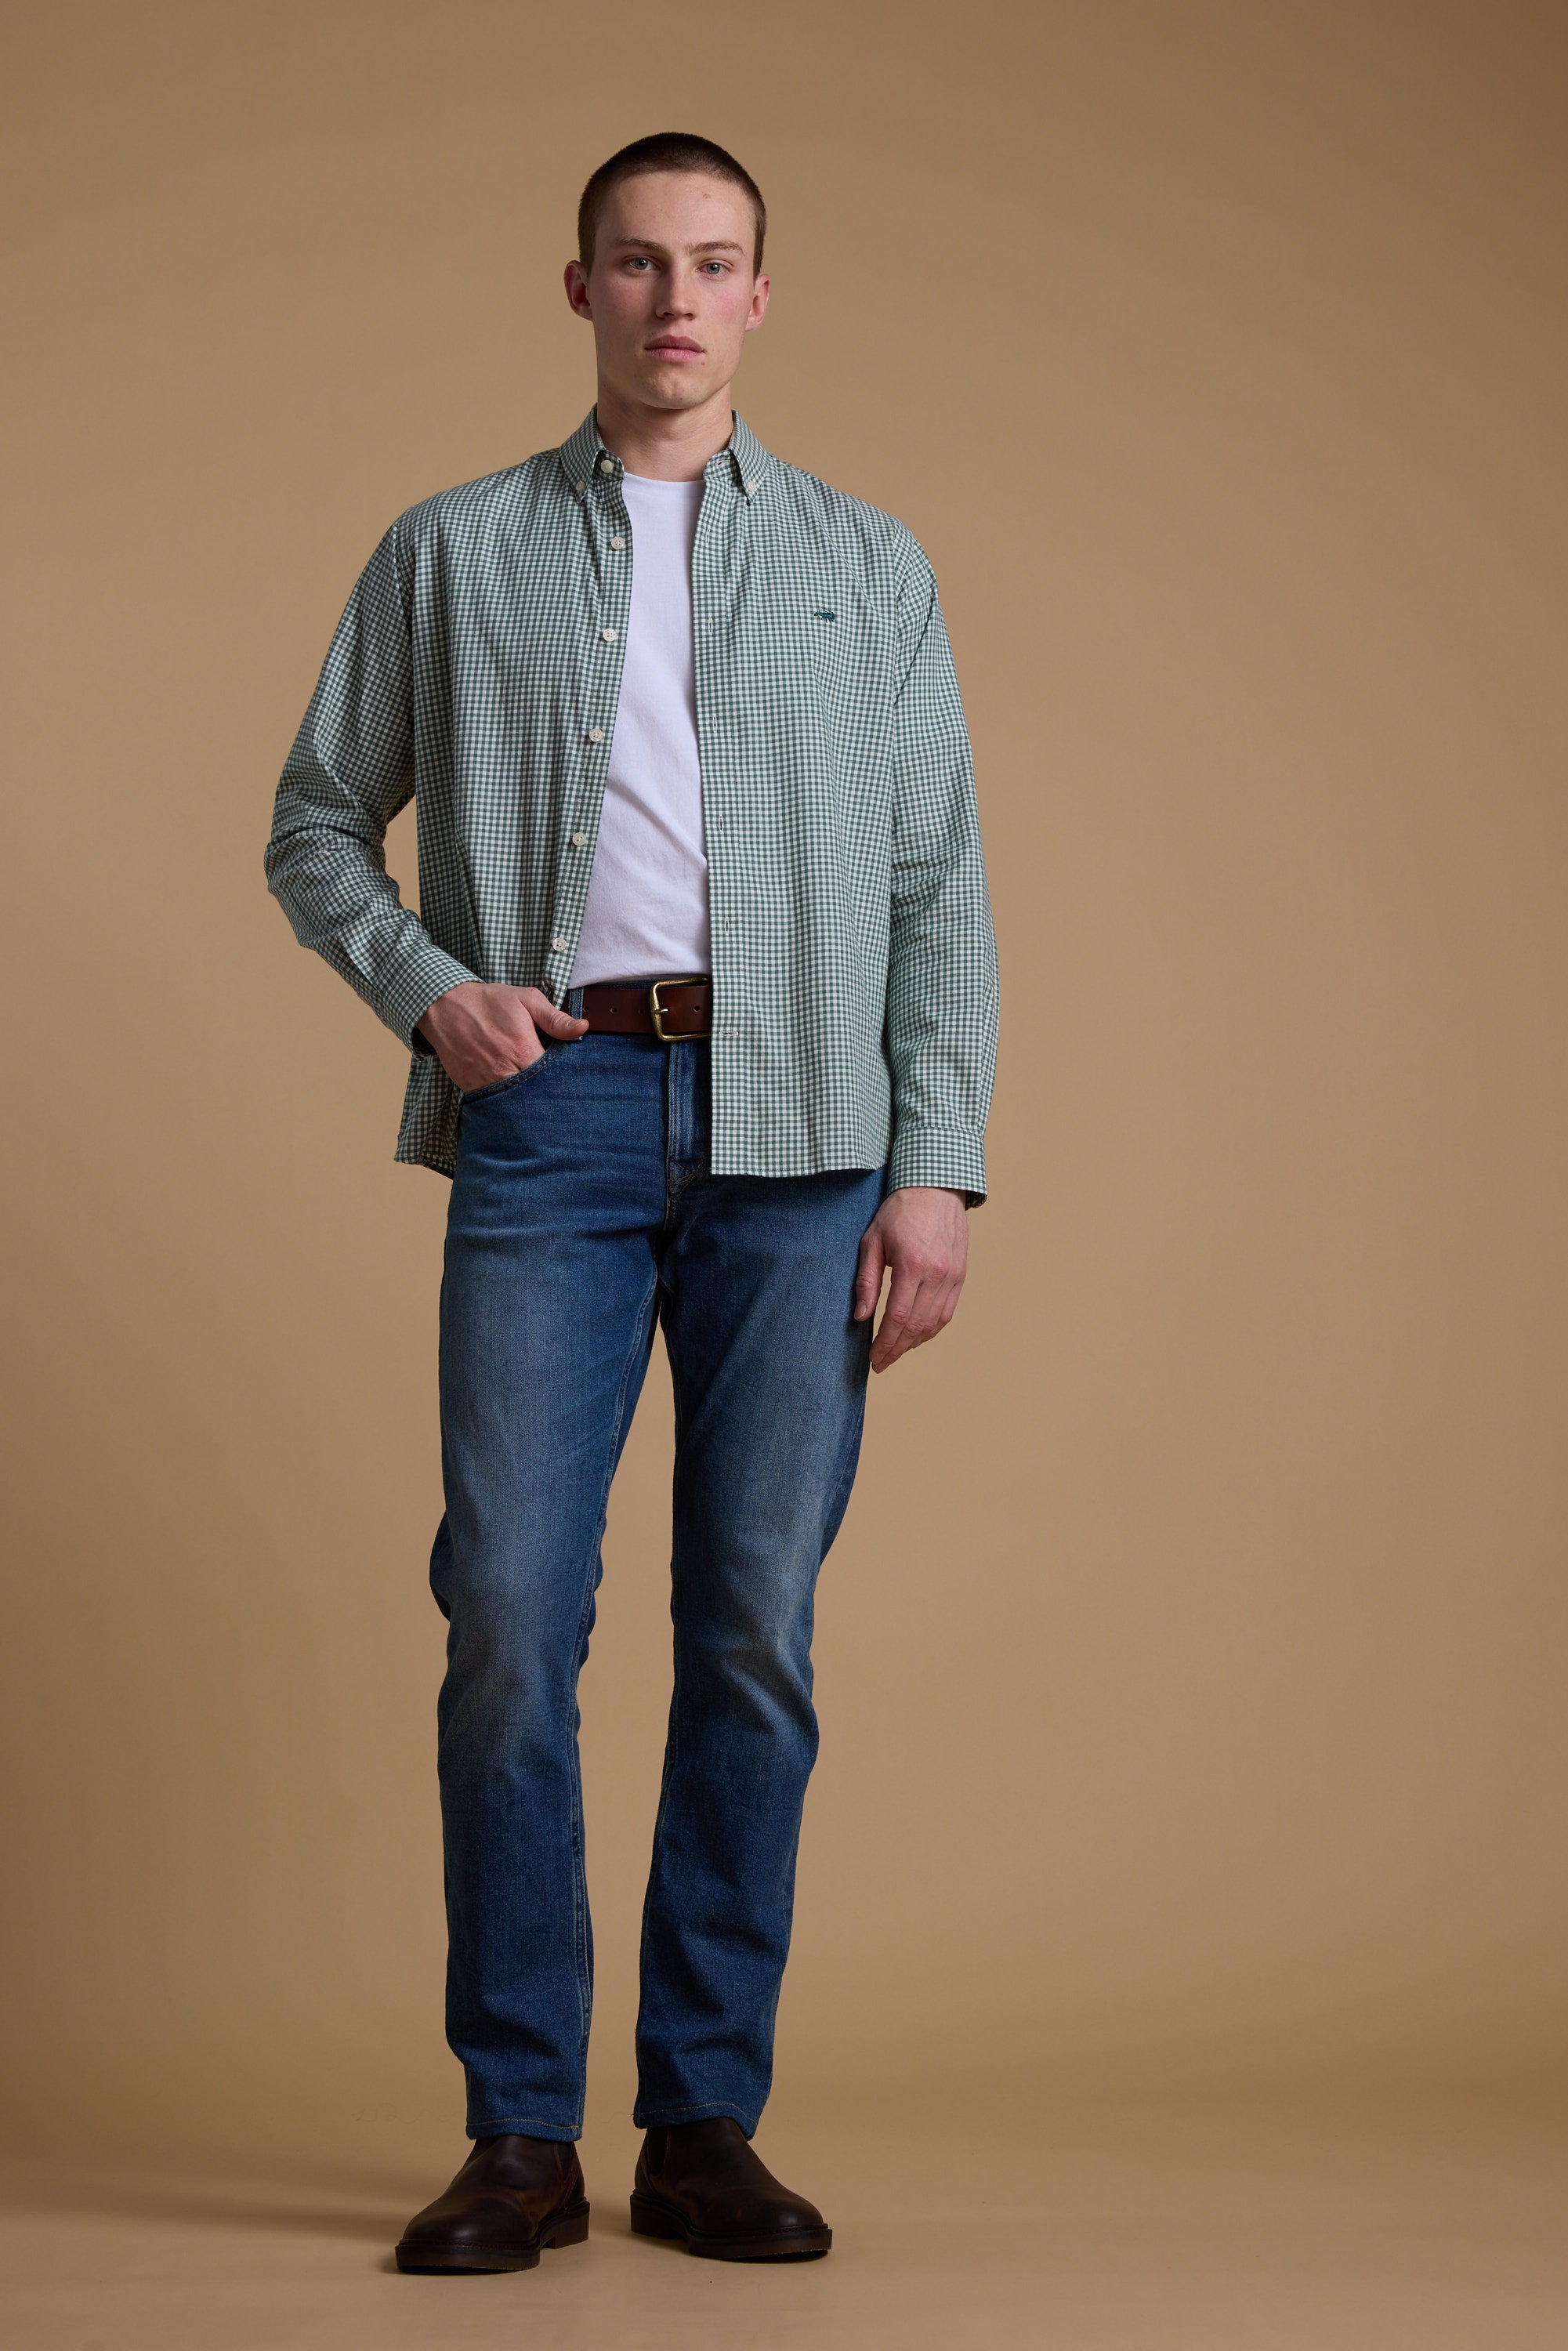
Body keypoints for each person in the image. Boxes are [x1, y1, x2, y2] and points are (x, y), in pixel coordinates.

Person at [265, 131, 998, 2273]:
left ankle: (699, 2120)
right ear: (574, 286)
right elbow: (317, 821)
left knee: (749, 1634)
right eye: (635, 263)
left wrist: (934, 1167)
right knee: (508, 1616)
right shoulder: (454, 551)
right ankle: (517, 2130)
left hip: (803, 1144)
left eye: (715, 265)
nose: (674, 299)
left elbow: (933, 883)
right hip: (556, 1119)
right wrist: (428, 995)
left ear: (760, 298)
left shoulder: (872, 566)